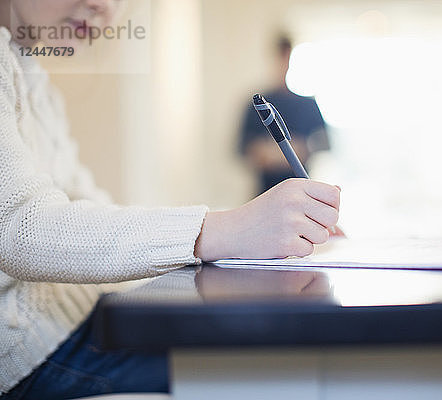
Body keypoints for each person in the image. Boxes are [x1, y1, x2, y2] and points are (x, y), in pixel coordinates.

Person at [0, 1, 340, 398]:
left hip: (78, 322)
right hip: (37, 359)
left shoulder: (33, 78)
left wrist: (230, 227)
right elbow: (17, 227)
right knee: (270, 370)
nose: (105, 7)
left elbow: (85, 201)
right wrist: (226, 228)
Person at [239, 35, 330, 194]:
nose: (283, 64)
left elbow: (324, 143)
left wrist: (303, 148)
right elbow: (242, 147)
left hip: (302, 192)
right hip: (264, 194)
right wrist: (262, 153)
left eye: (287, 57)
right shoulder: (255, 104)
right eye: (280, 57)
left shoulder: (308, 105)